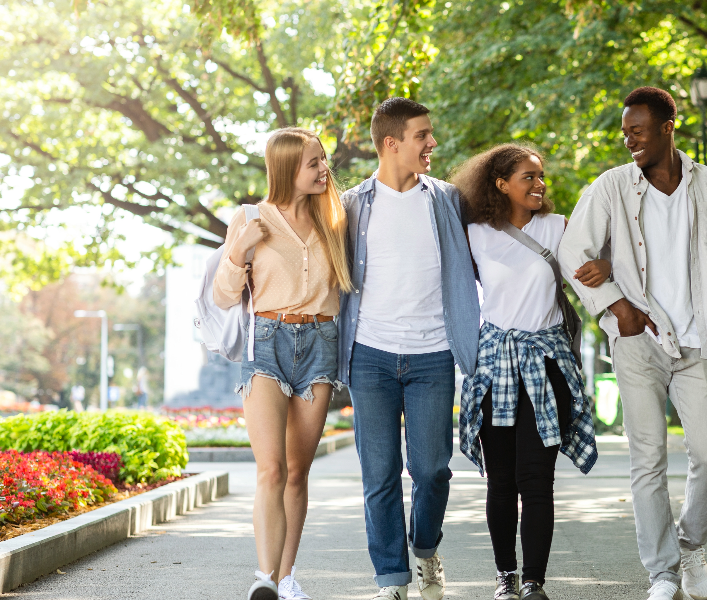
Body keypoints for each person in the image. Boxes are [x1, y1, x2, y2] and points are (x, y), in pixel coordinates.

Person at [558, 87, 707, 600]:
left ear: (669, 126)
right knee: (647, 457)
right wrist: (616, 304)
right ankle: (663, 572)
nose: (628, 139)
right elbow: (571, 251)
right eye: (625, 130)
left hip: (703, 341)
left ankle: (691, 546)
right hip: (638, 340)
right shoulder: (610, 188)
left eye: (638, 129)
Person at [337, 97, 480, 600]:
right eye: (423, 135)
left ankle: (426, 550)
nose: (432, 143)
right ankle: (392, 579)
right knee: (378, 475)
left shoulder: (445, 200)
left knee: (432, 470)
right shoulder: (352, 205)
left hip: (434, 355)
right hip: (370, 355)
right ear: (391, 143)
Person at [452, 144, 608, 600]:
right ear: (500, 184)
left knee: (537, 479)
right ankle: (506, 576)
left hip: (547, 364)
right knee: (501, 481)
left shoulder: (559, 228)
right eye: (528, 177)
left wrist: (607, 265)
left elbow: (591, 269)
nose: (539, 184)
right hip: (494, 365)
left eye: (541, 176)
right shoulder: (475, 231)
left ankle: (535, 582)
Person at [213, 127, 353, 600]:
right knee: (270, 469)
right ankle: (264, 579)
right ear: (287, 168)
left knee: (297, 471)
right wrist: (237, 250)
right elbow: (224, 295)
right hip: (267, 343)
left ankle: (287, 576)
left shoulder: (335, 220)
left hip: (321, 342)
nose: (323, 169)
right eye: (313, 162)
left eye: (323, 160)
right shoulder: (251, 218)